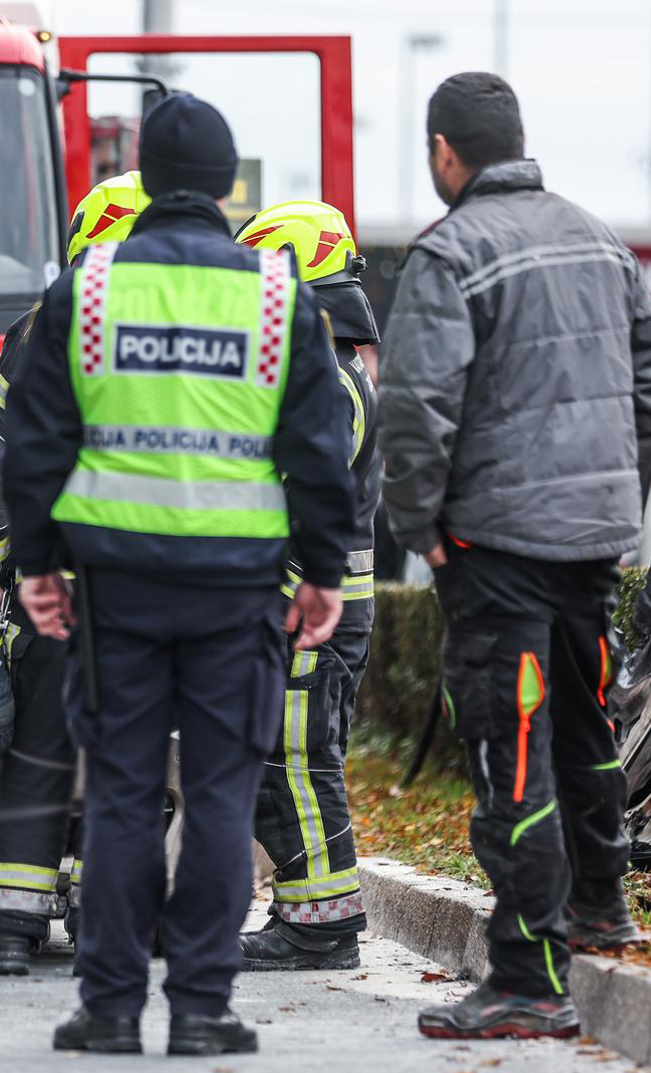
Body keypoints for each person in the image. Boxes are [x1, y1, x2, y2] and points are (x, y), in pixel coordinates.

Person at [3, 94, 357, 1056]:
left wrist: (34, 565)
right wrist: (321, 571)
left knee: (118, 796)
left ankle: (111, 1009)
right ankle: (201, 1009)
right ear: (226, 186)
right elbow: (320, 453)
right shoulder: (279, 296)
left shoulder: (88, 291)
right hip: (234, 594)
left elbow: (34, 444)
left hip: (111, 589)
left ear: (148, 182)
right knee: (217, 798)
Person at [378, 72, 651, 1040]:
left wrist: (417, 523)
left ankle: (528, 977)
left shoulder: (449, 252)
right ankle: (601, 907)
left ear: (444, 153)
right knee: (587, 730)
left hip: (495, 544)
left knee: (513, 752)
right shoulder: (601, 241)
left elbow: (417, 410)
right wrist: (609, 503)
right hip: (590, 542)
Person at [0, 171, 152, 978]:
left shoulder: (46, 326)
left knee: (37, 749)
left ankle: (7, 934)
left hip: (57, 579)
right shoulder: (201, 325)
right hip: (155, 580)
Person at [232, 201, 380, 971]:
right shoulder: (328, 359)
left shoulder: (324, 369)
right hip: (309, 609)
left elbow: (297, 491)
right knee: (282, 761)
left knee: (295, 762)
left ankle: (321, 929)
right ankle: (308, 914)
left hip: (309, 614)